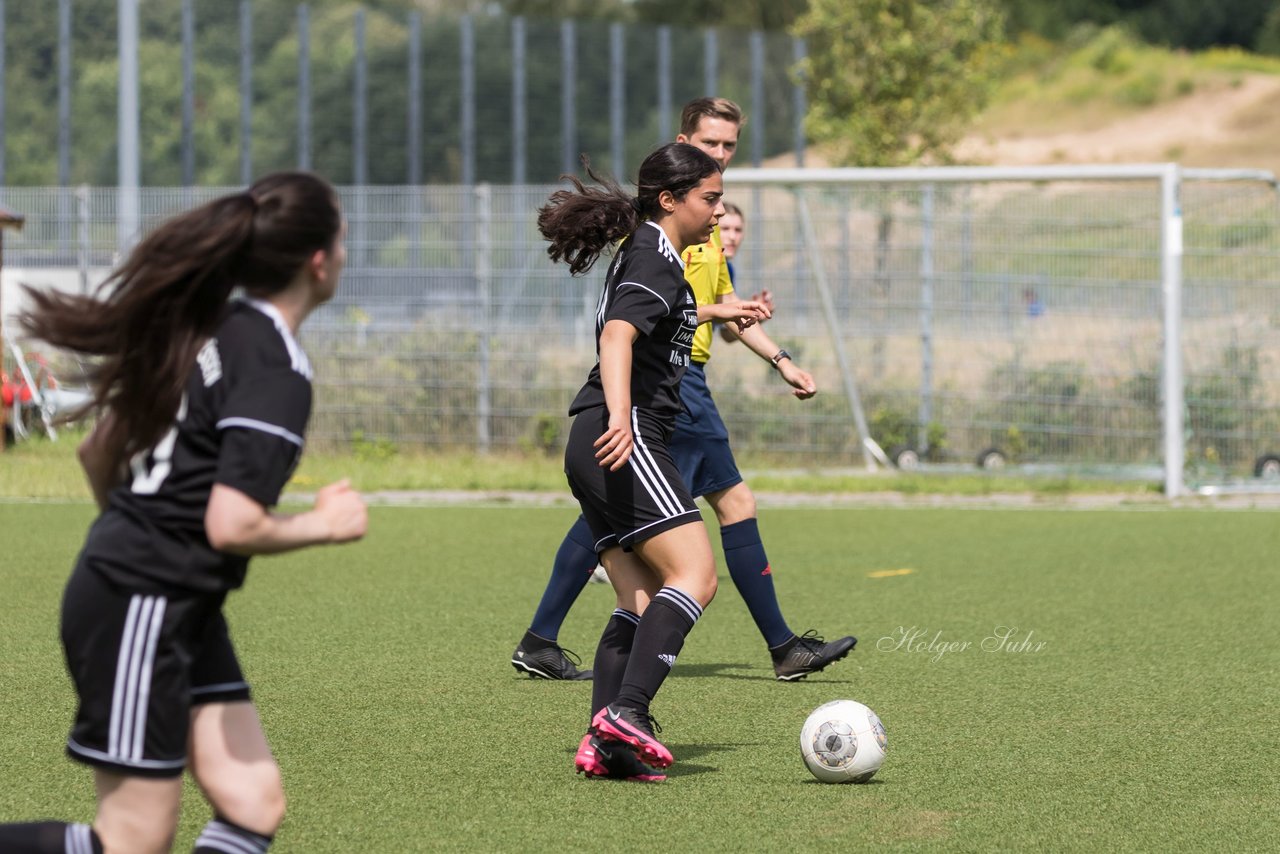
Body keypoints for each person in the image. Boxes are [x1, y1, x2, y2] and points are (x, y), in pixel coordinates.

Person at [0, 172, 368, 854]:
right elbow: (232, 525)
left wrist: (140, 538)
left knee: (253, 803)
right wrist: (325, 524)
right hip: (145, 595)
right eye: (343, 237)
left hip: (167, 594)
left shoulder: (210, 326)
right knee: (133, 841)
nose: (346, 252)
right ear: (318, 261)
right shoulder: (275, 369)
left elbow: (97, 453)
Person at [512, 97, 856, 684]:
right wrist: (621, 410)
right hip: (662, 393)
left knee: (621, 536)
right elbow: (628, 328)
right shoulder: (662, 239)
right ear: (683, 145)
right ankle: (776, 648)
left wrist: (779, 357)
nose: (720, 156)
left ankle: (572, 670)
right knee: (706, 537)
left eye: (728, 147)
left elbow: (713, 320)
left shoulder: (702, 232)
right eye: (710, 145)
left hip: (672, 387)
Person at [539, 142, 769, 780]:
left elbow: (660, 320)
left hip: (596, 438)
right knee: (695, 576)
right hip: (623, 434)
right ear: (670, 200)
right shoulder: (653, 255)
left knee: (639, 600)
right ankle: (629, 714)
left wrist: (726, 311)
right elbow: (618, 334)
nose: (719, 212)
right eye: (710, 199)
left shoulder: (655, 253)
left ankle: (605, 739)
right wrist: (621, 415)